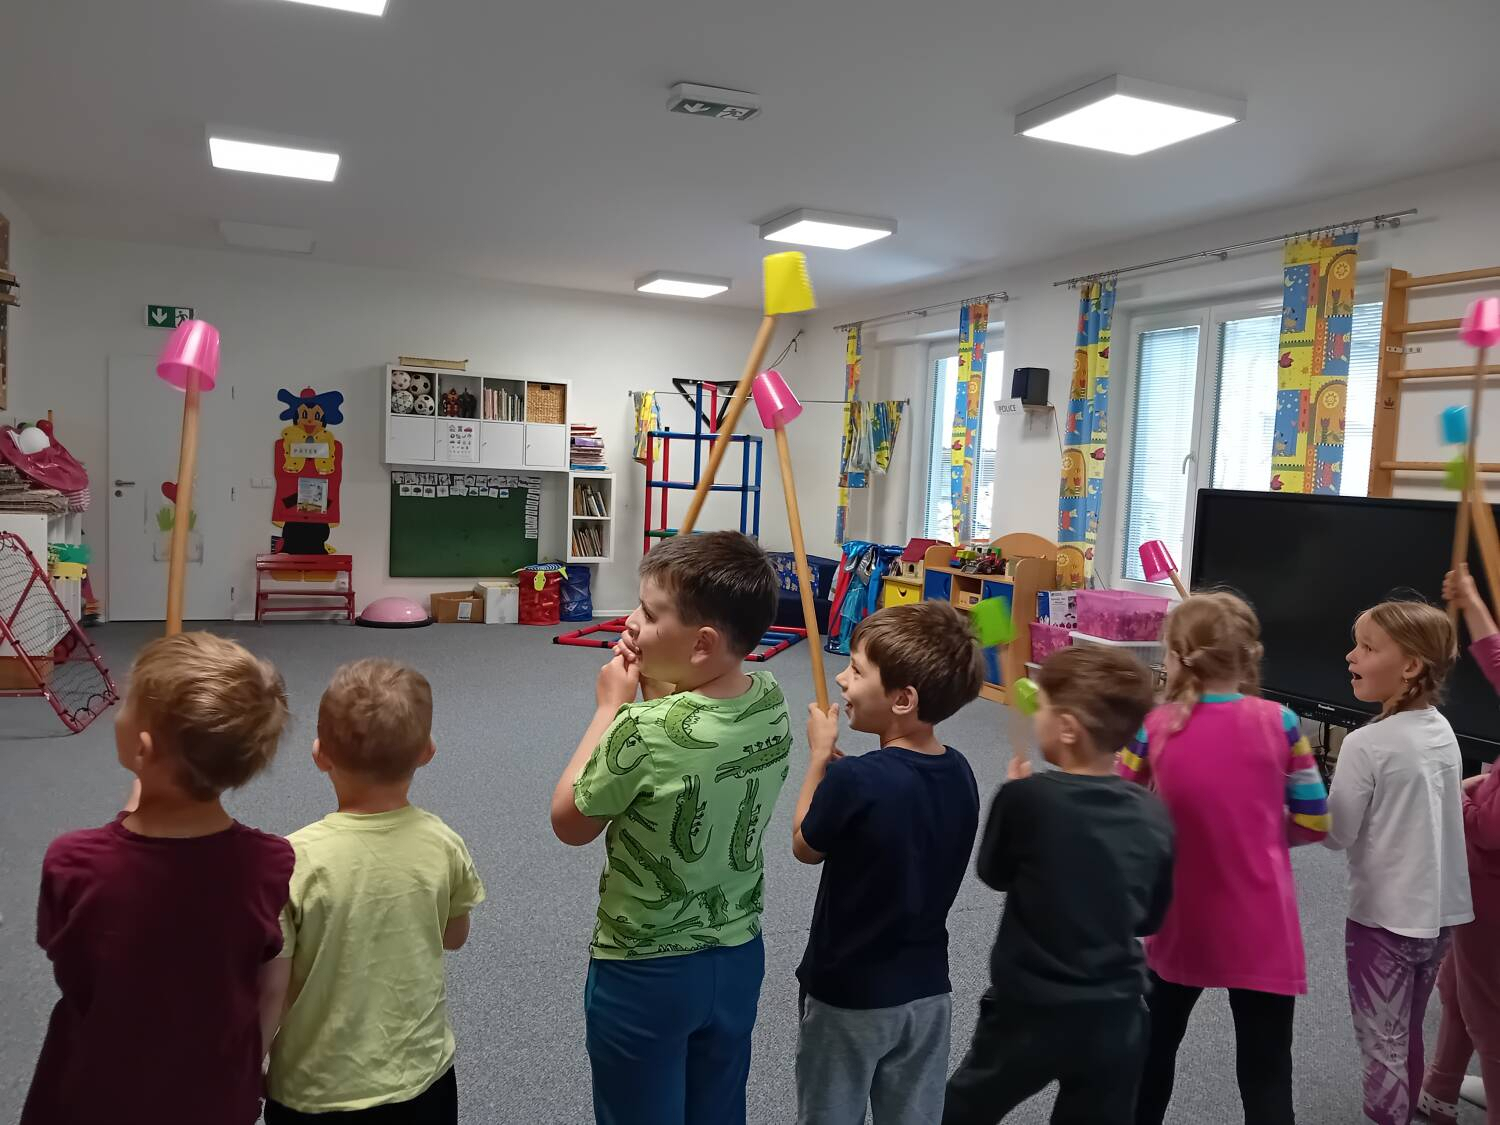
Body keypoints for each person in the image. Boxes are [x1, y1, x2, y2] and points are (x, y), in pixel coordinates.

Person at [549, 530, 791, 1125]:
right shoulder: (770, 699)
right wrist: (658, 681)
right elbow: (696, 726)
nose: (631, 622)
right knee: (718, 1107)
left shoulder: (641, 729)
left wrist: (610, 709)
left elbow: (570, 821)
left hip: (644, 968)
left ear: (702, 643)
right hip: (737, 956)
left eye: (650, 613)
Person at [21, 632, 294, 1125]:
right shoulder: (270, 862)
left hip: (95, 1094)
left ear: (143, 749)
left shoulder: (73, 860)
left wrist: (125, 828)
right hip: (213, 1095)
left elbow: (70, 962)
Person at [943, 645, 1174, 1125]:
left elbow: (994, 873)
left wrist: (1013, 795)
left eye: (1043, 707)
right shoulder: (1154, 812)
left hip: (1030, 1009)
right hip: (1117, 1015)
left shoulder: (1026, 799)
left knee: (963, 1110)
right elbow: (1150, 917)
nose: (1036, 718)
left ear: (1068, 728)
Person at [1123, 592, 1329, 1125]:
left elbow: (1117, 806)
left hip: (1177, 918)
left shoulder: (1154, 727)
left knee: (1150, 1055)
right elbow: (1314, 821)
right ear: (1246, 657)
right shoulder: (1284, 723)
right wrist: (1259, 836)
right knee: (1267, 1074)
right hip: (1262, 924)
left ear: (1176, 658)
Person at [263, 659, 484, 1124]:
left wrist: (245, 1069)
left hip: (315, 1089)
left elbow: (272, 989)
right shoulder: (443, 843)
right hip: (422, 1079)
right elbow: (454, 935)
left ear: (320, 754)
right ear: (427, 751)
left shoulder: (290, 860)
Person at [791, 601, 984, 1125]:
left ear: (903, 699)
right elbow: (896, 805)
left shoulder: (856, 780)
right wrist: (844, 778)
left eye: (856, 671)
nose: (841, 678)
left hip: (849, 994)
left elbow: (805, 845)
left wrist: (818, 762)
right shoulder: (961, 770)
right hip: (928, 991)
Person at [1326, 598, 1473, 1125]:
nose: (1351, 656)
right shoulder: (1442, 729)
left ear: (1410, 666)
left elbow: (1337, 834)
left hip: (1383, 920)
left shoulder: (1365, 745)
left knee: (1381, 1046)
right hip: (1438, 918)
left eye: (1367, 647)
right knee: (1406, 1032)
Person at [1420, 567, 1500, 1125]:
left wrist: (1457, 796)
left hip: (1491, 895)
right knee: (1457, 985)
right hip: (1478, 888)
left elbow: (1492, 829)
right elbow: (1497, 659)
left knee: (1488, 1013)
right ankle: (1439, 1090)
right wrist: (1471, 600)